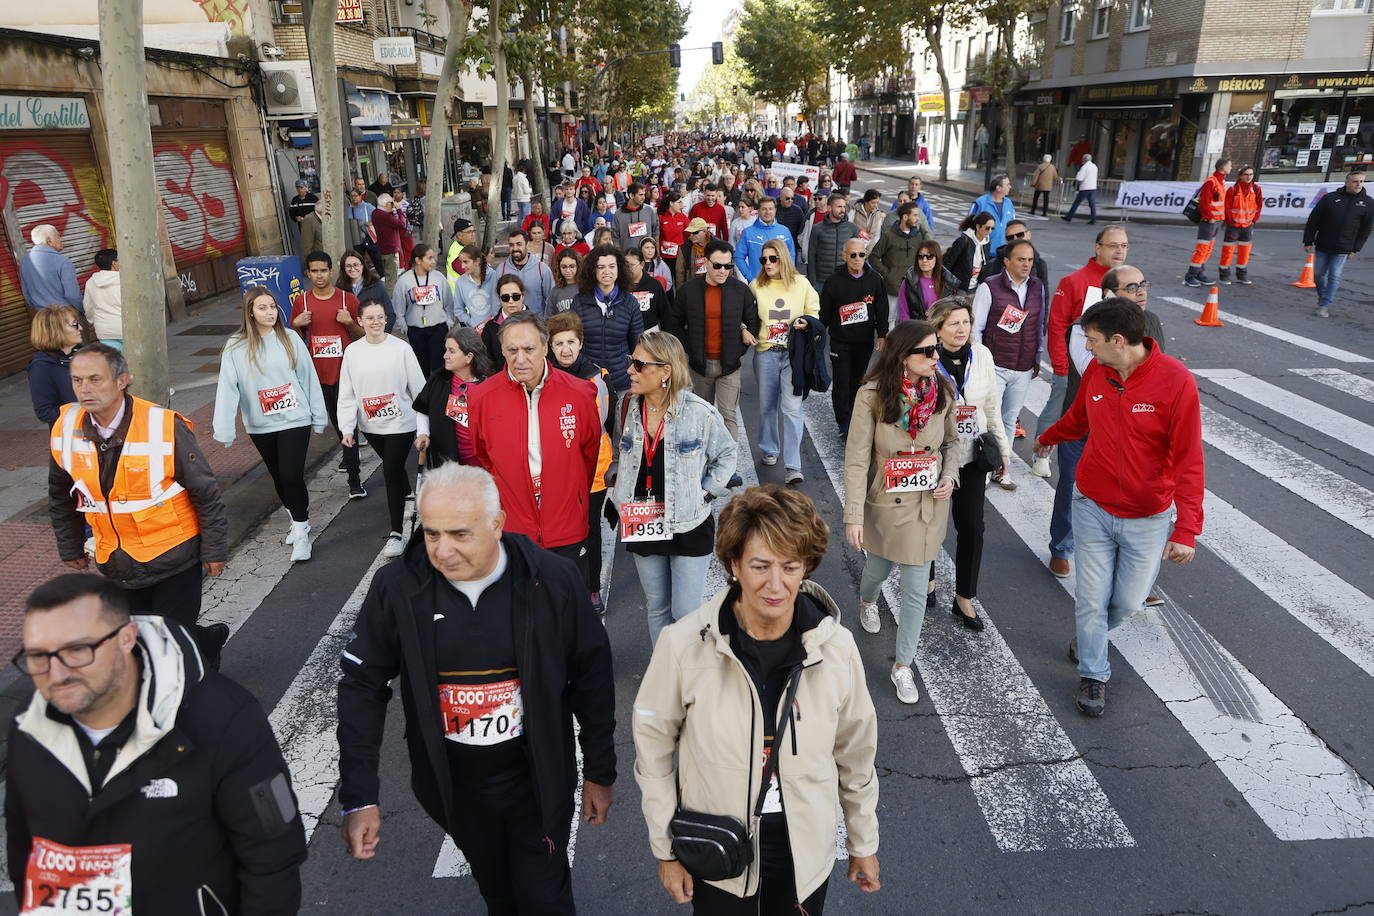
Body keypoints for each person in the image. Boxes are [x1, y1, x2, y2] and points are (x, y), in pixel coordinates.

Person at [337, 463, 615, 914]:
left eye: (460, 534)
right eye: (431, 534)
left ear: (497, 525)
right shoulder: (398, 588)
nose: (443, 551)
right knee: (498, 892)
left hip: (536, 783)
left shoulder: (552, 581)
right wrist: (360, 795)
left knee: (544, 897)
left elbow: (592, 676)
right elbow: (362, 685)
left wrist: (600, 771)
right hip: (455, 790)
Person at [633, 485, 881, 913]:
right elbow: (652, 750)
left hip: (802, 852)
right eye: (760, 566)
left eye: (790, 566)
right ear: (733, 565)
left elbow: (856, 755)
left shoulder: (836, 647)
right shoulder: (682, 645)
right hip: (717, 849)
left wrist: (863, 841)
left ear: (806, 567)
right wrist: (666, 850)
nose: (776, 584)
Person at [8, 574, 307, 914]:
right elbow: (23, 847)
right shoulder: (29, 724)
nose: (57, 675)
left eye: (77, 650)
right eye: (37, 657)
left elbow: (273, 859)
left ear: (125, 638)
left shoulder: (225, 719)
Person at [1034, 298, 1203, 717]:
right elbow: (1079, 418)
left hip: (1147, 516)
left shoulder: (1175, 381)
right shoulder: (1098, 371)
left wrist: (1187, 529)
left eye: (1092, 341)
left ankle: (1091, 636)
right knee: (1090, 599)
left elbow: (1188, 458)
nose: (1087, 349)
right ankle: (1094, 673)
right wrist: (1050, 436)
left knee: (1128, 602)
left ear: (1118, 340)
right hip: (1091, 504)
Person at [48, 345, 231, 667]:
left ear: (122, 380)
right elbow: (61, 493)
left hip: (175, 556)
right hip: (118, 562)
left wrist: (214, 549)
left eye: (95, 379)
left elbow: (206, 491)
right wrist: (70, 546)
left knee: (168, 649)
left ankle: (187, 701)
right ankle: (206, 640)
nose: (85, 389)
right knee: (143, 641)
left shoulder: (162, 425)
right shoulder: (66, 428)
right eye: (77, 380)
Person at [845, 319, 960, 703]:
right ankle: (865, 601)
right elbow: (858, 459)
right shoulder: (872, 395)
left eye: (936, 349)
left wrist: (950, 476)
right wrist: (854, 515)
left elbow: (952, 443)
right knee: (877, 570)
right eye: (926, 351)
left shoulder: (943, 391)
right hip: (885, 500)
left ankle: (903, 666)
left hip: (928, 504)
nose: (934, 357)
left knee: (915, 589)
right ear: (902, 356)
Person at [1049, 265, 1169, 597]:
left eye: (1143, 284)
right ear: (1108, 294)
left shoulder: (1152, 322)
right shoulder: (1083, 329)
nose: (1141, 291)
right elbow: (1100, 372)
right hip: (1085, 427)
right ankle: (1061, 547)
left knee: (1128, 504)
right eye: (1131, 287)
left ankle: (1134, 584)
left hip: (1132, 430)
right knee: (1073, 488)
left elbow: (1161, 374)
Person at [610, 330, 735, 641]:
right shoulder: (625, 407)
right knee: (657, 607)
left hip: (689, 523)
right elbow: (616, 453)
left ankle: (689, 677)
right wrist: (617, 488)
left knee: (687, 611)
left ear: (665, 371)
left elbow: (727, 453)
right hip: (642, 522)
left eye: (639, 365)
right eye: (631, 361)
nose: (629, 370)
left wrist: (706, 491)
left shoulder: (699, 412)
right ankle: (664, 677)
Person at [468, 310, 602, 579]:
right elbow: (483, 454)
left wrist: (573, 497)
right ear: (502, 351)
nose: (520, 359)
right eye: (512, 350)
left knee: (565, 610)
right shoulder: (481, 398)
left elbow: (588, 453)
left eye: (529, 349)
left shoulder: (579, 393)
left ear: (545, 347)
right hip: (513, 529)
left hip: (567, 526)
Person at [213, 287, 327, 562]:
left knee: (291, 475)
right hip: (260, 424)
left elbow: (308, 378)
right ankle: (296, 519)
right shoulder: (236, 345)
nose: (269, 312)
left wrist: (319, 416)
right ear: (250, 311)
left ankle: (301, 532)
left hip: (294, 419)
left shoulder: (289, 338)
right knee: (278, 476)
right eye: (262, 307)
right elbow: (228, 387)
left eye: (272, 307)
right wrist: (224, 428)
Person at [927, 299, 1011, 630]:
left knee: (973, 529)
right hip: (934, 457)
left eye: (966, 322)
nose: (962, 330)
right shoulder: (926, 359)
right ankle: (928, 581)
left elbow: (991, 406)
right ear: (937, 328)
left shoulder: (983, 356)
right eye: (954, 324)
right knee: (930, 526)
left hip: (972, 456)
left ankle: (964, 597)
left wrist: (1003, 450)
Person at [1040, 225, 1129, 489]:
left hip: (1110, 374)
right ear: (1098, 247)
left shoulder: (1127, 282)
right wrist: (1060, 364)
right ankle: (1042, 452)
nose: (1119, 250)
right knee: (1059, 410)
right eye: (1113, 245)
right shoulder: (1074, 281)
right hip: (1072, 369)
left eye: (1124, 245)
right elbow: (1056, 325)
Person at [337, 301, 427, 559]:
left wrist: (424, 427)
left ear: (386, 319)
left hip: (401, 423)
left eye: (380, 317)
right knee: (394, 467)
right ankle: (409, 494)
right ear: (360, 320)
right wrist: (347, 427)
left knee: (390, 472)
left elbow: (419, 390)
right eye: (370, 318)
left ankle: (397, 533)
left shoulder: (401, 349)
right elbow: (346, 393)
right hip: (371, 425)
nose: (376, 322)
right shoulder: (353, 352)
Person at [663, 239, 760, 464]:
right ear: (706, 262)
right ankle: (700, 462)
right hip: (699, 365)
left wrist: (741, 345)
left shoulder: (740, 290)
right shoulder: (689, 290)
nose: (723, 271)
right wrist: (689, 349)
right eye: (717, 265)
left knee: (728, 417)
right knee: (699, 417)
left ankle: (728, 465)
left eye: (728, 266)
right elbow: (675, 322)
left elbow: (752, 320)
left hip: (730, 365)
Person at [547, 311, 614, 615]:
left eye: (571, 342)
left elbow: (603, 424)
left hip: (592, 469)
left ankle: (592, 589)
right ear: (549, 345)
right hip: (555, 469)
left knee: (589, 529)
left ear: (581, 343)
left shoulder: (596, 377)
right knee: (558, 529)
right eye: (559, 343)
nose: (565, 349)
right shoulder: (543, 376)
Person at [971, 238, 1046, 490]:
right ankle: (983, 465)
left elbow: (1038, 326)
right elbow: (976, 328)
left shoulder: (1037, 287)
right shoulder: (989, 287)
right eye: (1020, 259)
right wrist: (980, 361)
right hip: (995, 364)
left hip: (1023, 366)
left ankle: (1002, 469)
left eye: (1030, 260)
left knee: (1009, 419)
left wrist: (1036, 358)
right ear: (1007, 261)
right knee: (987, 417)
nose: (1026, 264)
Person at [291, 251, 365, 498]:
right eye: (314, 271)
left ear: (331, 272)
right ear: (308, 274)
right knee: (337, 422)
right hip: (317, 376)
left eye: (323, 270)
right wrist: (296, 325)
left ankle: (354, 480)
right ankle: (349, 455)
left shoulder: (348, 300)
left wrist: (349, 322)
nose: (319, 275)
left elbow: (362, 335)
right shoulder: (301, 302)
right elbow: (295, 341)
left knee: (348, 425)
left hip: (346, 374)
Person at [749, 238, 819, 483]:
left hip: (793, 354)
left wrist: (805, 322)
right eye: (763, 259)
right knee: (767, 406)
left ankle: (793, 465)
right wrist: (744, 329)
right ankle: (769, 449)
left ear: (783, 258)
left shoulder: (800, 283)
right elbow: (746, 313)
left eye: (772, 258)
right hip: (766, 352)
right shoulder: (756, 284)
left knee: (791, 409)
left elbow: (813, 310)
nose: (767, 263)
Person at [820, 238, 889, 437]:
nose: (858, 259)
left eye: (861, 255)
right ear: (845, 256)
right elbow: (824, 312)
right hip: (840, 342)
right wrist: (816, 334)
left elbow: (881, 309)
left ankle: (855, 419)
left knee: (857, 383)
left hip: (864, 341)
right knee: (841, 383)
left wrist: (882, 334)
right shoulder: (834, 281)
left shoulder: (874, 280)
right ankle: (844, 424)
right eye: (853, 255)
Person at [413, 325, 493, 470]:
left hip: (484, 466)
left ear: (469, 357)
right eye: (446, 350)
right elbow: (422, 408)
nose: (445, 355)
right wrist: (423, 433)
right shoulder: (438, 380)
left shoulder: (490, 385)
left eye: (451, 351)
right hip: (447, 465)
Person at [568, 245, 643, 392]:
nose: (606, 271)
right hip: (589, 380)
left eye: (611, 266)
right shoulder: (580, 301)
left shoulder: (630, 303)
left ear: (619, 269)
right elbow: (574, 340)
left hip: (622, 381)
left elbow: (638, 345)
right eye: (601, 267)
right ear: (593, 270)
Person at [1302, 167, 1372, 318]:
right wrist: (1308, 240)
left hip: (1344, 248)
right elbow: (1314, 220)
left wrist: (1356, 248)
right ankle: (1322, 296)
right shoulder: (1330, 198)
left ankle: (1324, 305)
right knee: (1319, 275)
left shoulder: (1367, 203)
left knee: (1334, 276)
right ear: (1347, 182)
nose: (1358, 184)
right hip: (1323, 244)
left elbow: (1366, 229)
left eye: (1361, 181)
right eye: (1355, 182)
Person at [392, 243, 456, 378]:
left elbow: (449, 303)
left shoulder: (439, 278)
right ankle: (425, 395)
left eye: (434, 258)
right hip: (416, 330)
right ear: (418, 260)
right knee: (421, 368)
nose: (434, 261)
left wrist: (448, 323)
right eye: (430, 258)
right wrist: (405, 328)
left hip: (438, 328)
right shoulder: (404, 281)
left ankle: (441, 395)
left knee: (441, 368)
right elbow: (398, 309)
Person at [870, 201, 933, 314]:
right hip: (892, 288)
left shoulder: (918, 236)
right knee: (891, 320)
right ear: (905, 217)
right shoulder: (889, 235)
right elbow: (873, 257)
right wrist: (887, 274)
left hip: (913, 288)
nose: (918, 219)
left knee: (910, 320)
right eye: (914, 215)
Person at [27, 306, 82, 426]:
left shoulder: (88, 354)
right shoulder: (42, 366)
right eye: (74, 325)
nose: (80, 328)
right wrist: (86, 415)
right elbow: (45, 411)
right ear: (55, 330)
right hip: (72, 435)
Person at [1182, 157, 1232, 287]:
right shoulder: (1212, 182)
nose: (1231, 168)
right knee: (1202, 249)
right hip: (1209, 222)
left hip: (1215, 222)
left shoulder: (1221, 182)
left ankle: (1199, 273)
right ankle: (1190, 276)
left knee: (1208, 249)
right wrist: (1210, 217)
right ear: (1222, 167)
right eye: (1229, 166)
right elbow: (1204, 203)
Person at [20, 224, 83, 312]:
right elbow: (72, 295)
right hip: (66, 316)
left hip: (43, 317)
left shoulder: (25, 261)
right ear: (49, 240)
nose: (61, 239)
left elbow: (27, 294)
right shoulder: (62, 261)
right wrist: (82, 310)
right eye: (58, 236)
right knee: (76, 326)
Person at [1218, 165, 1262, 286]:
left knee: (1244, 252)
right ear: (1240, 176)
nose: (1249, 177)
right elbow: (1226, 207)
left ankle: (1241, 275)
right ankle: (1224, 275)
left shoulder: (1256, 189)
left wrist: (1254, 221)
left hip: (1247, 225)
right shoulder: (1233, 190)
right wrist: (1231, 221)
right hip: (1233, 225)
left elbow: (1259, 207)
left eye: (1251, 174)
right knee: (1228, 251)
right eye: (1246, 174)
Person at [496, 229, 556, 315]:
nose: (515, 248)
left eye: (519, 244)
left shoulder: (542, 269)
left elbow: (550, 300)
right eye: (511, 245)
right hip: (510, 323)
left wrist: (546, 322)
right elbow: (496, 301)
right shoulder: (501, 270)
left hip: (536, 323)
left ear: (527, 245)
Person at [737, 196, 797, 282]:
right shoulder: (748, 232)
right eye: (764, 209)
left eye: (770, 209)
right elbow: (739, 257)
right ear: (758, 211)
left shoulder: (784, 231)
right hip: (759, 284)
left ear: (775, 210)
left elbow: (791, 255)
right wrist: (750, 277)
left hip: (781, 283)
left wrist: (789, 274)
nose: (768, 212)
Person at [806, 192, 859, 289]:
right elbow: (811, 256)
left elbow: (857, 256)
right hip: (822, 282)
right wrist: (812, 281)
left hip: (845, 280)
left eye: (844, 206)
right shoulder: (817, 228)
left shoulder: (852, 228)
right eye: (839, 207)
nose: (842, 210)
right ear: (829, 208)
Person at [981, 219, 1049, 291]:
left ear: (1029, 235)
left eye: (1020, 235)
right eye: (1010, 237)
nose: (1015, 239)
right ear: (1006, 241)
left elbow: (1043, 296)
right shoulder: (993, 265)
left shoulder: (1040, 265)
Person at [897, 241, 957, 322]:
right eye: (921, 256)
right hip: (917, 330)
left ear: (937, 258)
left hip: (941, 330)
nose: (924, 260)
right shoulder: (909, 281)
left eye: (929, 256)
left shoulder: (948, 281)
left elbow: (953, 311)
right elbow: (903, 313)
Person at [481, 275, 531, 368]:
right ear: (499, 299)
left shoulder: (537, 324)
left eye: (515, 297)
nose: (511, 301)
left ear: (523, 296)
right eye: (505, 297)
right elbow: (486, 361)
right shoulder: (490, 328)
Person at [339, 249, 392, 332]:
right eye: (348, 266)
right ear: (344, 268)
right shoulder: (339, 289)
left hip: (375, 336)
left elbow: (390, 313)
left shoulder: (377, 285)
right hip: (351, 339)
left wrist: (382, 335)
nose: (352, 269)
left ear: (362, 266)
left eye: (356, 265)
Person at [82, 248, 123, 348]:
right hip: (126, 329)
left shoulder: (91, 282)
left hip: (104, 331)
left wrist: (95, 321)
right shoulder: (125, 280)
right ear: (114, 263)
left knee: (114, 362)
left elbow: (88, 307)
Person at [945, 211, 994, 291]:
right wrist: (952, 283)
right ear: (978, 226)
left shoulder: (986, 243)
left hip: (975, 287)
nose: (990, 231)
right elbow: (947, 264)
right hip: (958, 288)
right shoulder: (963, 241)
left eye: (992, 228)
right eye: (987, 228)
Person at [452, 245, 498, 328]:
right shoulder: (460, 282)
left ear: (477, 261)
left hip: (496, 328)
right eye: (461, 262)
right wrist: (471, 323)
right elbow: (458, 309)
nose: (462, 266)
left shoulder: (495, 276)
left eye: (466, 262)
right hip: (475, 330)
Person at [968, 175, 1016, 255]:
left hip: (1003, 252)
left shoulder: (1009, 203)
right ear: (998, 188)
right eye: (1007, 185)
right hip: (981, 252)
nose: (1010, 187)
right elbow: (968, 226)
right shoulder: (980, 203)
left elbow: (1013, 226)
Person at [371, 193, 408, 295]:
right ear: (386, 204)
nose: (393, 205)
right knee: (392, 277)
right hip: (390, 250)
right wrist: (399, 210)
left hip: (383, 248)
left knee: (389, 276)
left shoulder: (375, 213)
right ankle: (392, 299)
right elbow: (402, 224)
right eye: (391, 203)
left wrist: (392, 210)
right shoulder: (384, 216)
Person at [624, 249, 668, 332]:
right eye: (625, 265)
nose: (628, 269)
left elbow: (665, 314)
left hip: (650, 332)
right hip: (626, 332)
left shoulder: (654, 285)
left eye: (632, 265)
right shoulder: (620, 286)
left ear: (642, 265)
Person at [612, 181, 661, 251]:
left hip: (646, 255)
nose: (643, 197)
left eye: (644, 194)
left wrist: (657, 251)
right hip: (628, 256)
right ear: (631, 195)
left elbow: (656, 233)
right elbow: (615, 237)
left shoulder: (650, 211)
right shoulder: (618, 214)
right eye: (640, 195)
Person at [674, 217, 715, 288]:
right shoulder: (685, 247)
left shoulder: (716, 245)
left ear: (705, 231)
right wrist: (681, 291)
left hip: (712, 285)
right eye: (690, 232)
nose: (691, 235)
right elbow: (679, 272)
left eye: (695, 232)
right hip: (693, 286)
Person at [1062, 154, 1099, 225]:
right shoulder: (1094, 166)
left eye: (1082, 159)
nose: (1081, 160)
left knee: (1076, 203)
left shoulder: (1084, 167)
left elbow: (1079, 178)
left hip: (1085, 187)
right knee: (1092, 204)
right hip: (1093, 187)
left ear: (1084, 159)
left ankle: (1069, 217)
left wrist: (1078, 174)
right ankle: (1093, 219)